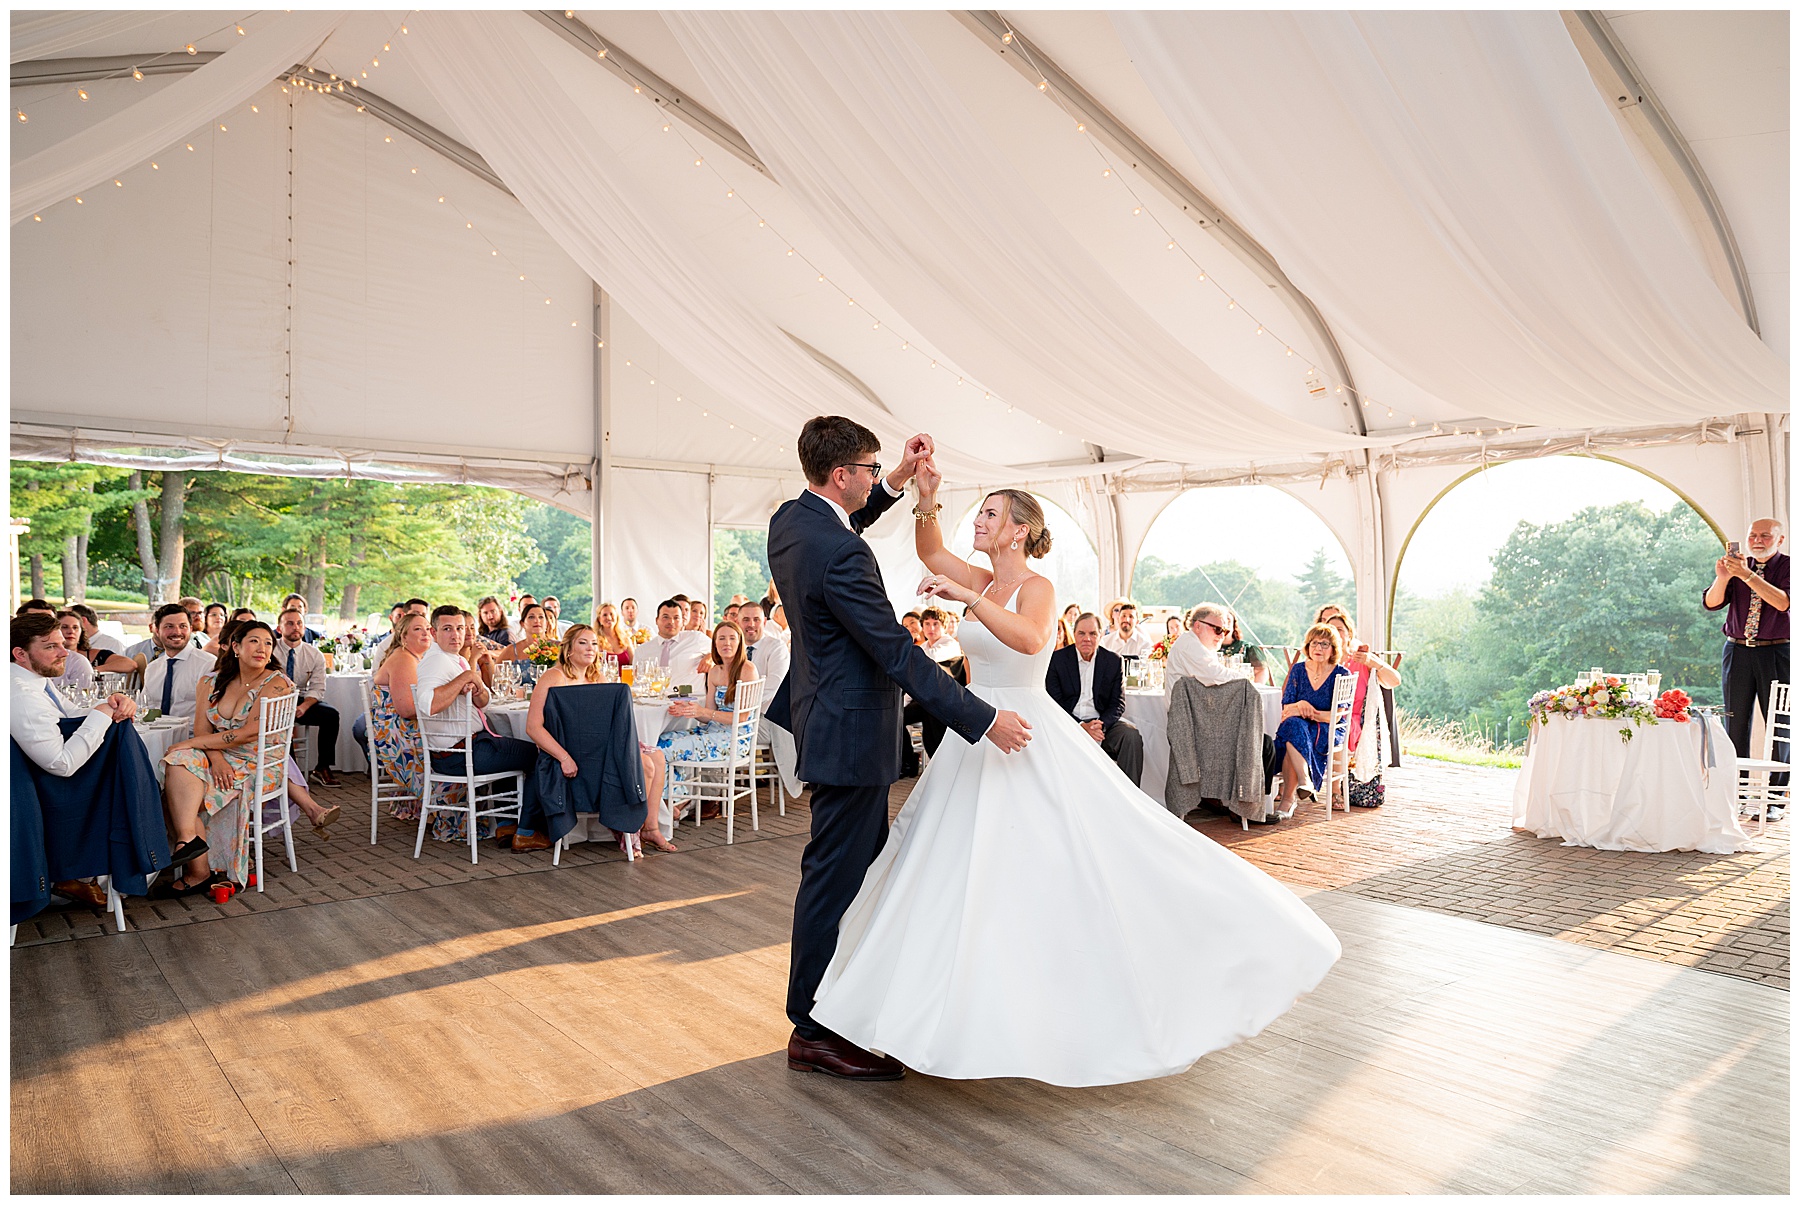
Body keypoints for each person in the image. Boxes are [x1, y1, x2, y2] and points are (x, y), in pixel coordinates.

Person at [809, 447, 1338, 1087]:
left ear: (1020, 530)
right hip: (977, 736)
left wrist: (964, 597)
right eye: (977, 512)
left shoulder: (1034, 587)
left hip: (1025, 730)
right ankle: (942, 1010)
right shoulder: (980, 579)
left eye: (990, 514)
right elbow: (928, 552)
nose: (977, 522)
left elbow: (1031, 640)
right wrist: (926, 496)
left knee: (1062, 862)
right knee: (953, 873)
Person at [769, 419, 1019, 1081]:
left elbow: (843, 525)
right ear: (843, 475)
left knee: (852, 873)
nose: (879, 478)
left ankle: (842, 1006)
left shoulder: (792, 522)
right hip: (850, 731)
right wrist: (982, 717)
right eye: (872, 469)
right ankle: (813, 1027)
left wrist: (899, 485)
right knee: (835, 880)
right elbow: (897, 651)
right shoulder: (843, 554)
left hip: (824, 719)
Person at [160, 621, 341, 895]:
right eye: (254, 641)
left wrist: (195, 744)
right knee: (178, 761)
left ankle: (198, 871)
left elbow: (247, 734)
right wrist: (216, 758)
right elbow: (202, 728)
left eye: (268, 643)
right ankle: (188, 842)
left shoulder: (277, 682)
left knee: (187, 774)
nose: (263, 648)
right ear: (235, 646)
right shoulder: (210, 681)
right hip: (217, 751)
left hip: (259, 760)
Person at [12, 612, 154, 909]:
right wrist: (103, 714)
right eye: (51, 646)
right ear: (20, 654)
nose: (65, 652)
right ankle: (141, 855)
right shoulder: (21, 694)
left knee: (132, 774)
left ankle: (140, 854)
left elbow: (72, 713)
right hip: (38, 807)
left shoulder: (36, 681)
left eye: (63, 643)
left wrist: (111, 702)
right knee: (127, 787)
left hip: (45, 790)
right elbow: (62, 764)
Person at [527, 624, 674, 853]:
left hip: (601, 750)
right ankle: (628, 829)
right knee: (645, 765)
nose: (590, 648)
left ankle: (650, 827)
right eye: (583, 643)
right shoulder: (553, 677)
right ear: (568, 650)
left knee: (657, 756)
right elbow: (533, 728)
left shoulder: (597, 677)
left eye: (594, 643)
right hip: (573, 757)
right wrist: (564, 758)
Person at [414, 606, 546, 852]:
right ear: (433, 632)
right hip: (459, 754)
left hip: (468, 747)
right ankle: (527, 830)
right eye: (447, 629)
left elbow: (483, 702)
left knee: (510, 752)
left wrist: (477, 684)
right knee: (541, 755)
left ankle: (507, 826)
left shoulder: (457, 660)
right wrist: (465, 678)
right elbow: (428, 704)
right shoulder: (435, 662)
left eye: (460, 628)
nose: (456, 635)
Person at [1705, 518, 1790, 807]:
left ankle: (1774, 802)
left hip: (1778, 652)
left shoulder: (1790, 566)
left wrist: (1746, 576)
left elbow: (1782, 602)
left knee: (1780, 726)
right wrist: (1724, 577)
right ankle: (1735, 796)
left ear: (1779, 540)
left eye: (1765, 535)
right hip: (1737, 652)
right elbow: (1712, 603)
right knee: (1735, 724)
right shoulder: (1737, 567)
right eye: (1753, 535)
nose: (1757, 540)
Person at [657, 621, 761, 824]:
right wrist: (689, 709)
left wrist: (703, 711)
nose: (727, 643)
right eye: (721, 638)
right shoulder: (715, 671)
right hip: (711, 732)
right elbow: (709, 714)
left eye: (732, 638)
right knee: (658, 743)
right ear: (714, 643)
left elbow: (741, 718)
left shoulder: (748, 669)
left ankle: (678, 801)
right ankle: (681, 797)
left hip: (734, 739)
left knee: (664, 751)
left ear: (739, 642)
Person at [1314, 605, 1400, 807]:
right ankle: (1289, 787)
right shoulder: (1320, 660)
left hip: (1350, 720)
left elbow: (1394, 680)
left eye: (1340, 629)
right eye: (1330, 629)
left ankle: (1336, 791)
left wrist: (1373, 662)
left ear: (1349, 635)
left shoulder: (1359, 659)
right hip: (1322, 715)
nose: (1334, 633)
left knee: (1336, 729)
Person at [1045, 612, 1144, 785]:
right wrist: (1081, 726)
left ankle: (1131, 796)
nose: (1087, 639)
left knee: (1130, 735)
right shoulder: (1057, 660)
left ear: (1100, 636)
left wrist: (1100, 724)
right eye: (1081, 633)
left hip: (1102, 726)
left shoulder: (1113, 661)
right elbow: (1054, 702)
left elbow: (1118, 704)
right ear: (1074, 634)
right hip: (1068, 723)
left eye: (1092, 634)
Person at [1271, 623, 1351, 814]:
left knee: (1292, 729)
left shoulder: (1342, 674)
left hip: (1326, 730)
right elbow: (1287, 707)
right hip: (1300, 725)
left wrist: (1307, 710)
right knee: (1293, 725)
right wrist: (1299, 706)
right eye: (1314, 643)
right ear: (1307, 646)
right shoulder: (1298, 670)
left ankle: (1289, 800)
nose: (1318, 648)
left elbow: (1336, 717)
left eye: (1325, 644)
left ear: (1333, 649)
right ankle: (1304, 781)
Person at [277, 608, 340, 786]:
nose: (295, 627)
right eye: (289, 623)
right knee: (281, 720)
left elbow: (318, 689)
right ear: (280, 628)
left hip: (302, 699)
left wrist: (303, 707)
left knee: (331, 715)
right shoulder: (270, 650)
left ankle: (322, 767)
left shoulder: (314, 655)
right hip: (276, 700)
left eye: (299, 623)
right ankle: (291, 773)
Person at [140, 603, 213, 721]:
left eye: (183, 626)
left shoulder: (207, 665)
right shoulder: (152, 668)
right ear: (157, 631)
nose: (177, 632)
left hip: (191, 736)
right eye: (169, 626)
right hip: (156, 734)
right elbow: (145, 707)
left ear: (191, 629)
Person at [1166, 603, 1240, 687]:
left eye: (1225, 631)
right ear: (1197, 626)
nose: (1222, 636)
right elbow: (1215, 675)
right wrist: (1245, 678)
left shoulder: (1198, 644)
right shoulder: (1189, 645)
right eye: (1217, 629)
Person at [645, 599, 709, 675]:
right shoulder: (644, 649)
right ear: (657, 620)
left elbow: (719, 650)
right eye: (666, 617)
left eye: (676, 618)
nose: (671, 622)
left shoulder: (696, 638)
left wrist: (711, 658)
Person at [68, 604, 133, 667]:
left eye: (65, 625)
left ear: (82, 621)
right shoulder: (66, 644)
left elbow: (118, 674)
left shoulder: (112, 644)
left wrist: (93, 671)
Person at [1218, 611, 1268, 685]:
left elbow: (1261, 671)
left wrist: (1251, 691)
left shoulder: (1248, 648)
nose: (1225, 624)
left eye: (1228, 620)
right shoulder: (1206, 648)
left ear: (1233, 625)